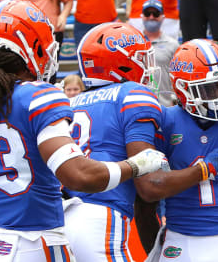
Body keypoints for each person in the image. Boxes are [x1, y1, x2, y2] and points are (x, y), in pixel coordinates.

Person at [0, 0, 167, 261]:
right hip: (38, 243)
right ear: (32, 47)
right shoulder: (37, 96)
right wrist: (136, 165)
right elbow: (80, 176)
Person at [136, 39, 218, 262]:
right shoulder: (165, 122)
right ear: (182, 89)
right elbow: (145, 198)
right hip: (180, 239)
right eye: (209, 89)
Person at [64, 22, 165, 260]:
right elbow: (147, 186)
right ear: (120, 63)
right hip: (101, 217)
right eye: (141, 59)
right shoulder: (132, 94)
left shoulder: (70, 103)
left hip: (59, 217)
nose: (147, 67)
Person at [140, 0, 179, 97]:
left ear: (163, 17)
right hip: (138, 102)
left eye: (156, 13)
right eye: (147, 13)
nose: (151, 17)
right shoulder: (134, 42)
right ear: (142, 16)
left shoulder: (173, 44)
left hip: (164, 105)